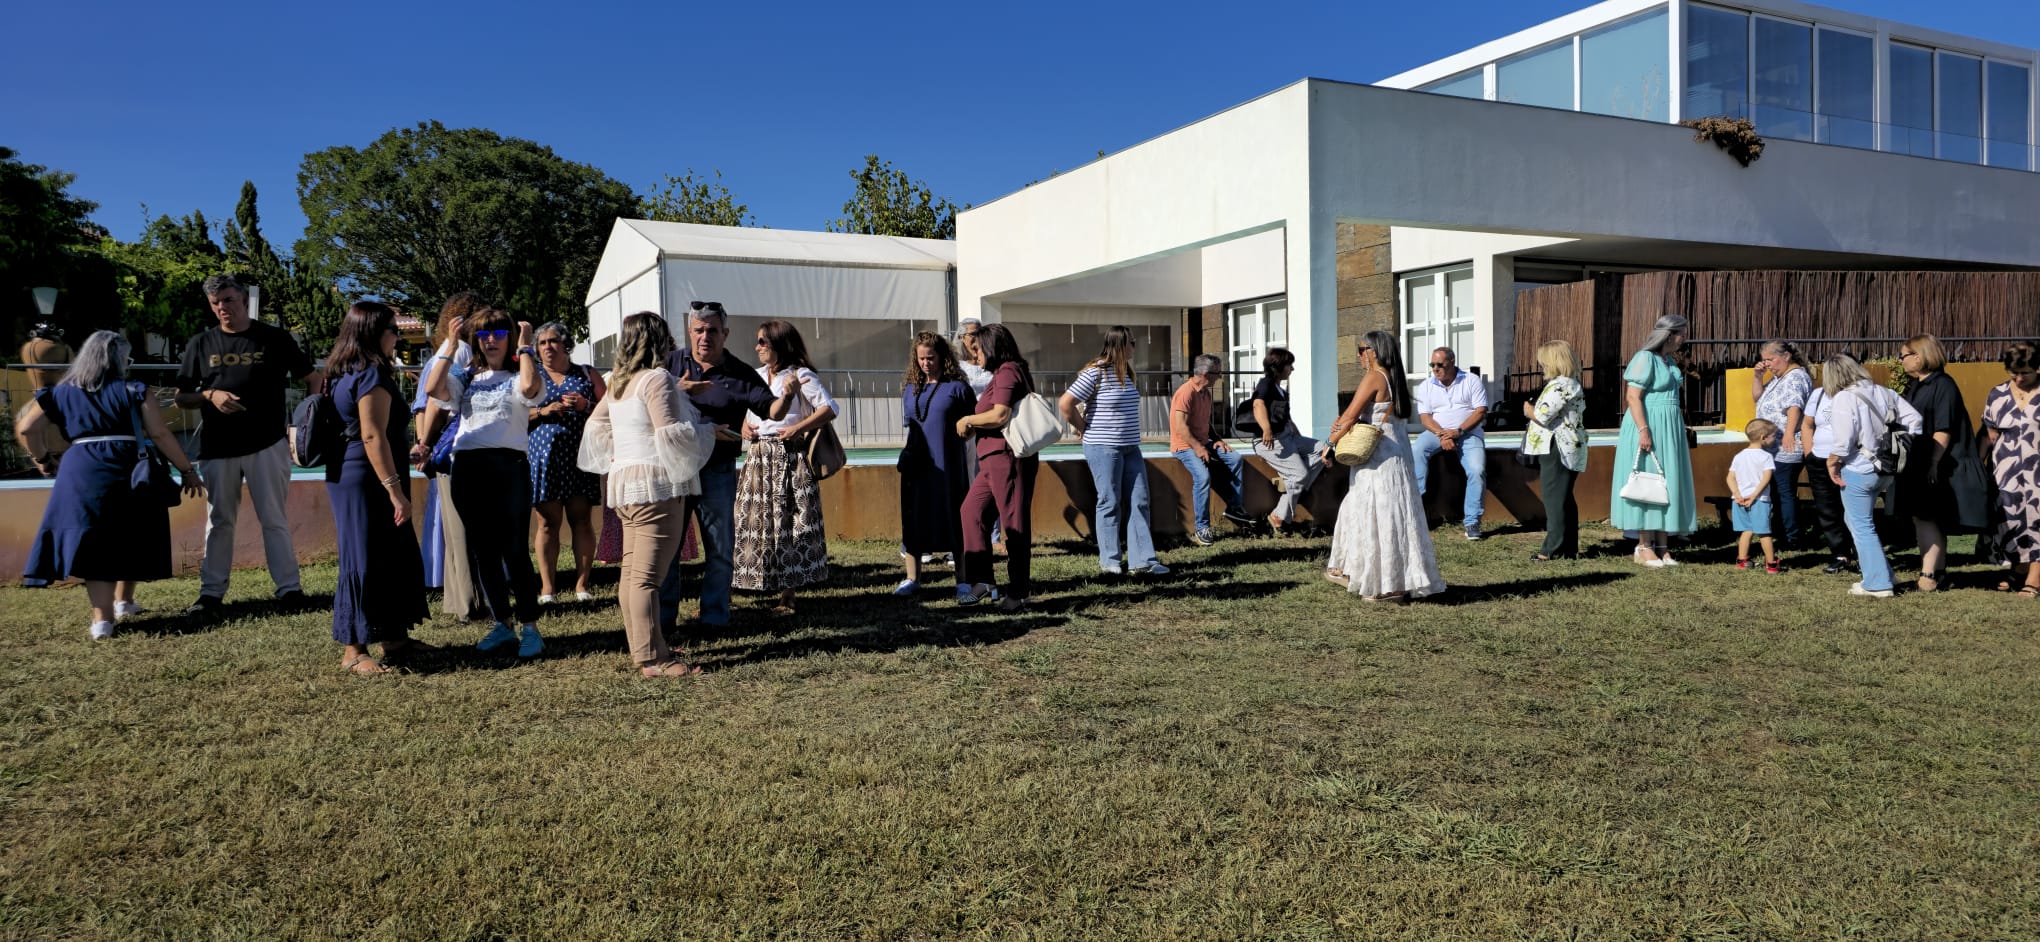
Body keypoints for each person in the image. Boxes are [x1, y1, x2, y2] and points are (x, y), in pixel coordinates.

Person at [17, 331, 205, 639]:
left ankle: (103, 620)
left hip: (80, 468)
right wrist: (186, 470)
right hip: (128, 466)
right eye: (126, 357)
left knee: (94, 541)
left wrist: (42, 458)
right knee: (131, 532)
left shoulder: (60, 392)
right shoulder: (134, 389)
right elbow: (159, 433)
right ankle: (123, 602)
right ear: (117, 359)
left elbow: (27, 428)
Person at [577, 312, 717, 676]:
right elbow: (669, 433)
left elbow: (595, 425)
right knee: (646, 578)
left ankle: (649, 649)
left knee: (632, 574)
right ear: (658, 342)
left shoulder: (618, 382)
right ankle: (654, 659)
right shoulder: (656, 378)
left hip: (625, 485)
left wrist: (624, 450)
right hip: (655, 486)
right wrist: (708, 432)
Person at [174, 274, 322, 613]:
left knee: (274, 518)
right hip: (218, 447)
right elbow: (181, 397)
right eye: (215, 303)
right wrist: (209, 395)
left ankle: (290, 589)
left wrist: (305, 425)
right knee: (219, 521)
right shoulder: (201, 343)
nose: (222, 307)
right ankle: (211, 594)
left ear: (243, 300)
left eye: (228, 300)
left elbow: (313, 379)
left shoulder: (274, 338)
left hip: (267, 444)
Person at [659, 302, 802, 630]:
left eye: (712, 330)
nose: (704, 336)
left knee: (720, 547)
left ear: (725, 333)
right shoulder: (671, 364)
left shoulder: (741, 373)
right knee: (668, 548)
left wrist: (788, 397)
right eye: (698, 330)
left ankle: (714, 617)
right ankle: (664, 620)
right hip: (676, 468)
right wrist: (678, 388)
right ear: (689, 332)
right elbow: (642, 394)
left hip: (717, 469)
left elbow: (773, 411)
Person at [423, 308, 546, 656]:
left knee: (514, 550)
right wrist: (450, 344)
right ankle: (503, 624)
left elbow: (529, 388)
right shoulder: (466, 377)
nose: (490, 340)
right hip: (468, 468)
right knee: (484, 552)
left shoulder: (521, 372)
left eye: (498, 333)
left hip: (509, 467)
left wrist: (525, 346)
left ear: (509, 337)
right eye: (483, 334)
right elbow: (432, 388)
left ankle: (530, 628)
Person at [322, 302, 430, 675]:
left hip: (352, 473)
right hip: (367, 479)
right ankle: (354, 650)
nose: (397, 337)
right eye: (393, 331)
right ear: (373, 333)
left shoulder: (340, 372)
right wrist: (395, 491)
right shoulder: (370, 374)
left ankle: (394, 639)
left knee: (387, 553)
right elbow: (372, 435)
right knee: (364, 557)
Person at [1322, 330, 1445, 601]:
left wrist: (1329, 444)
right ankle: (1382, 579)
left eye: (1361, 349)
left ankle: (1382, 584)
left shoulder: (1375, 376)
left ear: (1374, 351)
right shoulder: (1394, 377)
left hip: (1378, 457)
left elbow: (1350, 415)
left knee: (1374, 513)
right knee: (1390, 513)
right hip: (1396, 453)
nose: (1359, 356)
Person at [734, 320, 836, 612]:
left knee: (788, 521)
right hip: (758, 456)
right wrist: (743, 425)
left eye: (762, 342)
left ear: (779, 343)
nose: (757, 347)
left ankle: (788, 593)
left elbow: (830, 408)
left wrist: (797, 428)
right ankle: (756, 580)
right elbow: (746, 411)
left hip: (787, 457)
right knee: (751, 520)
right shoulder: (755, 375)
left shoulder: (800, 375)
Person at [1060, 326, 1166, 576]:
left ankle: (1143, 561)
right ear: (1120, 345)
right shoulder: (1095, 372)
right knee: (1109, 501)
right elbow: (1065, 404)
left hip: (1130, 447)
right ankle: (1110, 561)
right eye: (1132, 342)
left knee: (1139, 500)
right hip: (1103, 447)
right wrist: (1083, 428)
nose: (1135, 347)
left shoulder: (1126, 372)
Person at [409, 293, 487, 619]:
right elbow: (433, 404)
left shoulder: (443, 354)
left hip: (448, 452)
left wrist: (424, 444)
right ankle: (471, 602)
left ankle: (459, 600)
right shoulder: (461, 353)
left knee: (455, 532)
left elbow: (424, 407)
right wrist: (425, 443)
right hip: (460, 450)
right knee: (466, 530)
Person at [1821, 354, 1923, 599]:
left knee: (1861, 525)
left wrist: (1831, 463)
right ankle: (1883, 574)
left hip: (1859, 468)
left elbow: (1843, 440)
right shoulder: (1885, 392)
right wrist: (1897, 442)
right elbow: (1915, 420)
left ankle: (1878, 584)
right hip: (1885, 469)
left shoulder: (1844, 398)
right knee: (1855, 521)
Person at [1897, 334, 1991, 592]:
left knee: (1927, 517)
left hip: (1941, 462)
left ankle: (1928, 577)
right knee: (1926, 517)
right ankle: (1937, 572)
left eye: (1903, 355)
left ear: (1919, 356)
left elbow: (1943, 429)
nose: (1901, 360)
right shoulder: (1917, 385)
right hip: (1924, 460)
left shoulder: (1943, 385)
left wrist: (1933, 463)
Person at [957, 323, 1038, 611]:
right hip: (992, 461)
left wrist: (968, 420)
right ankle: (983, 581)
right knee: (971, 511)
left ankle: (1018, 593)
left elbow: (1000, 414)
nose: (974, 354)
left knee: (1014, 526)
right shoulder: (1002, 374)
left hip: (1007, 459)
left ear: (992, 348)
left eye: (978, 348)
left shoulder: (1008, 371)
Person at [1610, 315, 1697, 567]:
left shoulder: (1667, 360)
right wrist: (1643, 430)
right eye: (1682, 333)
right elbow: (1633, 397)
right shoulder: (1644, 358)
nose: (1684, 338)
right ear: (1669, 335)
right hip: (1648, 424)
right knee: (1648, 481)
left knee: (1666, 481)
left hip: (1669, 429)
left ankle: (1662, 546)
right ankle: (1643, 545)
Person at [527, 322, 605, 603]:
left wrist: (586, 406)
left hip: (579, 457)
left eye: (553, 341)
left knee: (581, 520)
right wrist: (543, 411)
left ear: (566, 344)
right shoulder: (531, 376)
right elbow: (513, 416)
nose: (548, 346)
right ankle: (548, 588)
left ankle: (582, 585)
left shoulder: (586, 373)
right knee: (547, 523)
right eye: (542, 342)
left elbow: (610, 411)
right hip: (544, 459)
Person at [895, 332, 976, 597]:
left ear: (942, 356)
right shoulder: (911, 389)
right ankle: (912, 577)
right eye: (921, 358)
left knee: (954, 517)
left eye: (930, 357)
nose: (926, 363)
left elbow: (973, 423)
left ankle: (963, 579)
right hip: (917, 465)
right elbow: (912, 427)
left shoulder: (958, 388)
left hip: (949, 464)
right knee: (913, 517)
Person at [1169, 354, 1250, 545]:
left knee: (1235, 459)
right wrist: (1198, 448)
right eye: (1217, 373)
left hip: (1204, 442)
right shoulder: (1185, 392)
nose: (1220, 377)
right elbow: (1180, 427)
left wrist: (1217, 440)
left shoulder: (1205, 393)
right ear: (1205, 374)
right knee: (1203, 476)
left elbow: (1205, 423)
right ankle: (1202, 527)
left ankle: (1234, 507)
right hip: (1184, 446)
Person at [1410, 346, 1490, 541]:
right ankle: (1416, 508)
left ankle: (1472, 521)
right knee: (1417, 449)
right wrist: (1443, 436)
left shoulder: (1471, 380)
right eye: (1432, 365)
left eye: (1440, 364)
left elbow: (1480, 411)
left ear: (1452, 362)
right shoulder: (1426, 385)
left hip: (1468, 433)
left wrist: (1459, 431)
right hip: (1437, 432)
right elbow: (1425, 418)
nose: (1435, 369)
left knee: (1477, 470)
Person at [1980, 342, 2040, 598]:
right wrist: (1979, 466)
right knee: (2011, 520)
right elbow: (1988, 434)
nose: (2019, 378)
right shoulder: (1997, 394)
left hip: (2037, 469)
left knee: (2037, 520)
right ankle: (2019, 567)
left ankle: (2035, 577)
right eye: (2013, 373)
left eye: (2025, 373)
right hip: (2006, 471)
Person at [1520, 339, 1587, 561]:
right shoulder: (1571, 383)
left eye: (1544, 361)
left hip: (1557, 447)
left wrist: (1528, 410)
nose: (1542, 366)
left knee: (1554, 499)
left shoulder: (1560, 385)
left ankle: (1552, 549)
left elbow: (1542, 416)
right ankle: (1568, 547)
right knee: (1564, 498)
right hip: (1568, 446)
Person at [1249, 347, 1323, 532]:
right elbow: (1258, 404)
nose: (1292, 369)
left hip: (1288, 437)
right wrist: (1266, 429)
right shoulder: (1265, 383)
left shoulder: (1281, 390)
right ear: (1278, 366)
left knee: (1323, 449)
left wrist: (1299, 439)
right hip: (1270, 441)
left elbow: (1287, 420)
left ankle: (1291, 482)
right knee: (1300, 475)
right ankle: (1281, 514)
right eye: (1289, 365)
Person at [1752, 340, 1813, 549]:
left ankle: (1791, 536)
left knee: (1784, 490)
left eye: (1770, 359)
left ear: (1786, 356)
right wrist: (1758, 376)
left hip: (1785, 446)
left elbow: (1794, 406)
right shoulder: (1779, 378)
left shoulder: (1795, 377)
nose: (1767, 364)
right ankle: (1781, 531)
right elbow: (1757, 397)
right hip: (1772, 446)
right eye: (1764, 360)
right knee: (1777, 490)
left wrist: (1788, 433)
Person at [1797, 377, 1857, 574]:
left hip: (1849, 461)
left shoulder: (1856, 393)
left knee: (1852, 508)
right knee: (1827, 509)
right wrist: (1809, 454)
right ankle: (1840, 554)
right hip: (1819, 460)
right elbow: (1807, 425)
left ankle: (1861, 553)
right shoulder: (1819, 394)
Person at [1728, 419, 1782, 573]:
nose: (1775, 439)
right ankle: (1772, 564)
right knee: (1764, 532)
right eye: (1773, 436)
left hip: (1739, 501)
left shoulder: (1739, 456)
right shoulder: (1766, 457)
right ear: (1763, 437)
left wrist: (1737, 494)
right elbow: (1766, 478)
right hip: (1759, 500)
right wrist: (1753, 496)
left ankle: (1742, 560)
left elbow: (1730, 477)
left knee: (1746, 530)